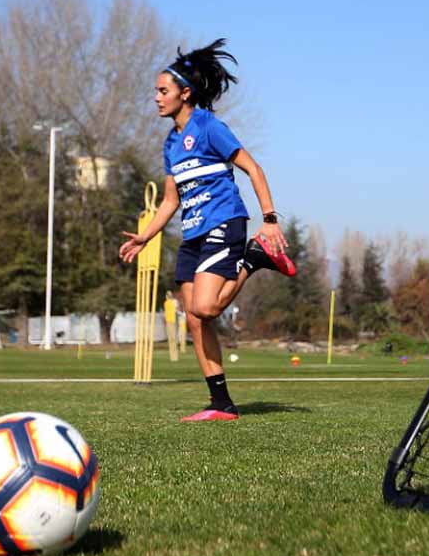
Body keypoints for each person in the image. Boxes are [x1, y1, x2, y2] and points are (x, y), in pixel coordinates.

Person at [119, 38, 296, 422]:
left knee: (206, 306)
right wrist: (145, 237)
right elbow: (170, 201)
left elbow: (254, 168)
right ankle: (222, 405)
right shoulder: (170, 144)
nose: (156, 98)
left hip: (225, 221)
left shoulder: (209, 127)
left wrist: (268, 219)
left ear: (185, 93)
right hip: (193, 234)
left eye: (162, 91)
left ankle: (255, 256)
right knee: (195, 320)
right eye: (155, 91)